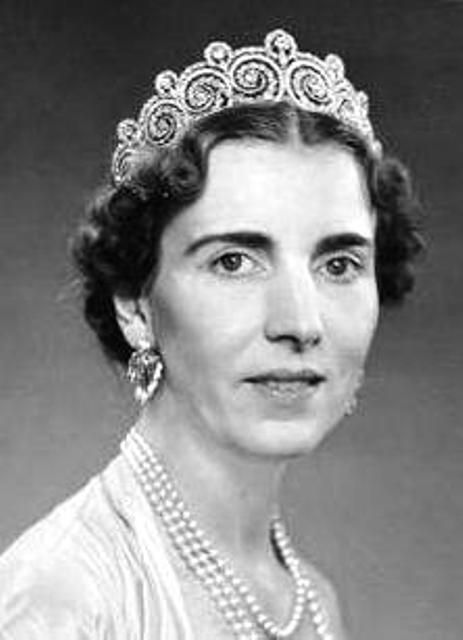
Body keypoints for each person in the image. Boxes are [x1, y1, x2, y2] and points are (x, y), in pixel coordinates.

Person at [0, 29, 422, 640]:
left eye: (338, 265)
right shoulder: (63, 600)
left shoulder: (311, 601)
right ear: (135, 306)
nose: (300, 324)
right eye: (233, 261)